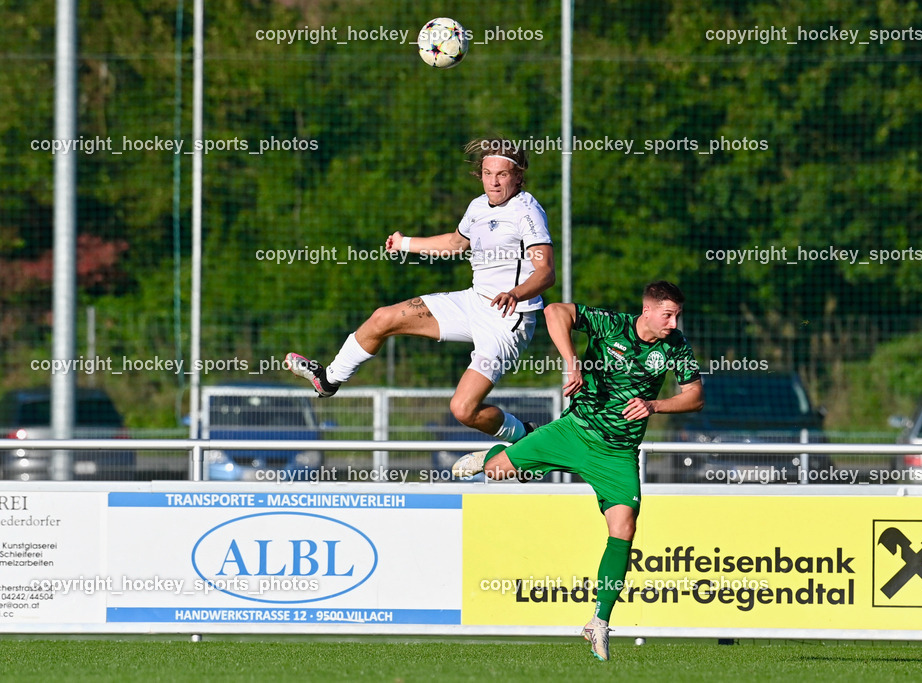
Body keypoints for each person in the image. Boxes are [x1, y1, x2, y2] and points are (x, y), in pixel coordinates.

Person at [452, 281, 704, 661]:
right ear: (647, 310)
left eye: (677, 315)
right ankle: (496, 456)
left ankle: (598, 622)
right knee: (499, 471)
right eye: (667, 314)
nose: (673, 322)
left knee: (624, 527)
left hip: (617, 453)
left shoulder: (676, 345)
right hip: (574, 431)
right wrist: (573, 361)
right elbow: (556, 311)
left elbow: (695, 396)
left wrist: (655, 406)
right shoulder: (611, 325)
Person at [287, 138, 554, 443]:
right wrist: (405, 243)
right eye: (487, 173)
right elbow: (456, 243)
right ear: (479, 173)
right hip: (472, 302)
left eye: (502, 175)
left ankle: (526, 437)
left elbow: (546, 272)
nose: (493, 181)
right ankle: (328, 380)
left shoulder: (527, 211)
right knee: (383, 319)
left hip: (509, 319)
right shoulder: (478, 206)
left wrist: (516, 293)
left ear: (518, 176)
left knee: (464, 409)